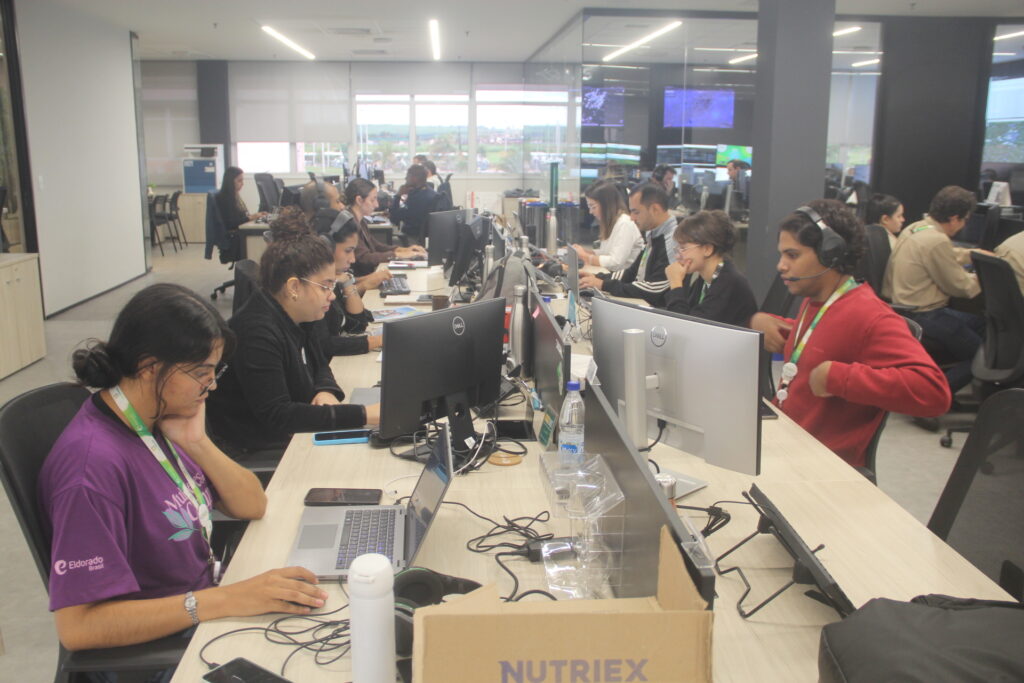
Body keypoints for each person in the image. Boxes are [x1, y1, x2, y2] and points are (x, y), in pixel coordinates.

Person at [39, 283, 328, 657]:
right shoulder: (91, 470)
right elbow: (78, 629)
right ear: (148, 368)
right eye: (201, 373)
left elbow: (252, 504)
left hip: (205, 606)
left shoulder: (157, 418)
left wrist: (197, 443)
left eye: (214, 371)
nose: (211, 385)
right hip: (165, 648)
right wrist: (222, 601)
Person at [750, 199, 950, 468]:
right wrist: (766, 322)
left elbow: (935, 393)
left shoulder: (869, 315)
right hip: (786, 439)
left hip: (818, 466)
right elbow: (822, 340)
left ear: (831, 253)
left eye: (792, 255)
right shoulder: (819, 301)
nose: (781, 266)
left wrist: (839, 377)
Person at [206, 229, 379, 461]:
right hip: (258, 444)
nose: (332, 296)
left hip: (292, 426)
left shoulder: (298, 315)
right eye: (325, 286)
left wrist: (325, 389)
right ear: (294, 287)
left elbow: (320, 363)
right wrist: (364, 414)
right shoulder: (257, 332)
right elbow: (279, 415)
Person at [882, 185, 990, 398]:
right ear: (955, 218)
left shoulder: (917, 228)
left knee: (983, 325)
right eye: (965, 219)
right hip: (927, 314)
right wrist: (987, 273)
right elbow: (962, 287)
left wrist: (972, 254)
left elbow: (942, 254)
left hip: (904, 309)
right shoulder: (936, 240)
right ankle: (932, 398)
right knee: (983, 354)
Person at [579, 183, 674, 308]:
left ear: (655, 209)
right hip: (643, 303)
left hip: (657, 313)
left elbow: (654, 289)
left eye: (636, 212)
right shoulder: (655, 234)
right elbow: (632, 273)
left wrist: (604, 285)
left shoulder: (671, 240)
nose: (632, 218)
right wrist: (598, 278)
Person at [663, 210, 757, 327]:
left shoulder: (729, 283)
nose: (677, 255)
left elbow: (688, 328)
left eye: (683, 248)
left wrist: (676, 283)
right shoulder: (704, 280)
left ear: (707, 249)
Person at [318, 206, 382, 357]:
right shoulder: (313, 289)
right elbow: (324, 344)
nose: (353, 259)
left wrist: (347, 284)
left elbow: (358, 325)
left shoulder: (335, 281)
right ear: (326, 247)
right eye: (348, 250)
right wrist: (379, 340)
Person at [344, 178, 426, 279]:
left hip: (369, 273)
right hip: (362, 278)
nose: (377, 204)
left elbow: (376, 246)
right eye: (373, 199)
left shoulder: (360, 220)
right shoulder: (350, 224)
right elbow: (363, 258)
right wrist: (397, 255)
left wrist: (403, 250)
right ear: (359, 200)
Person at [572, 181, 643, 273]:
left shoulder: (625, 223)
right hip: (612, 275)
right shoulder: (610, 223)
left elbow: (615, 262)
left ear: (606, 205)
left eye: (593, 207)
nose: (590, 212)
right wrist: (583, 252)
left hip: (624, 279)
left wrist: (585, 256)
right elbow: (605, 253)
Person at [389, 165, 437, 246]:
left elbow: (394, 218)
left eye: (407, 176)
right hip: (421, 236)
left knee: (383, 240)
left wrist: (398, 195)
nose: (405, 179)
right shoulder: (427, 191)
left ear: (414, 178)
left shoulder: (418, 198)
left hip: (412, 238)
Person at [215, 167, 265, 231]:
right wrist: (251, 217)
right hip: (235, 235)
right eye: (239, 181)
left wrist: (255, 216)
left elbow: (240, 218)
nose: (242, 184)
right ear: (230, 181)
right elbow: (232, 223)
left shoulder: (234, 196)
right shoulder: (225, 198)